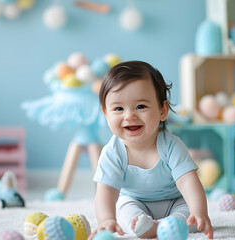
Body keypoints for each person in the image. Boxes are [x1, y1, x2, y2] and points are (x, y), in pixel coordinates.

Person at [88, 61, 214, 239]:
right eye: (118, 108)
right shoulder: (112, 152)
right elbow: (106, 190)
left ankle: (170, 224)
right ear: (106, 113)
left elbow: (187, 181)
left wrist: (199, 211)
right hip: (135, 201)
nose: (129, 115)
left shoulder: (171, 145)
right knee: (124, 210)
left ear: (163, 110)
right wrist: (106, 220)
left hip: (174, 201)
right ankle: (151, 226)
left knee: (188, 215)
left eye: (141, 106)